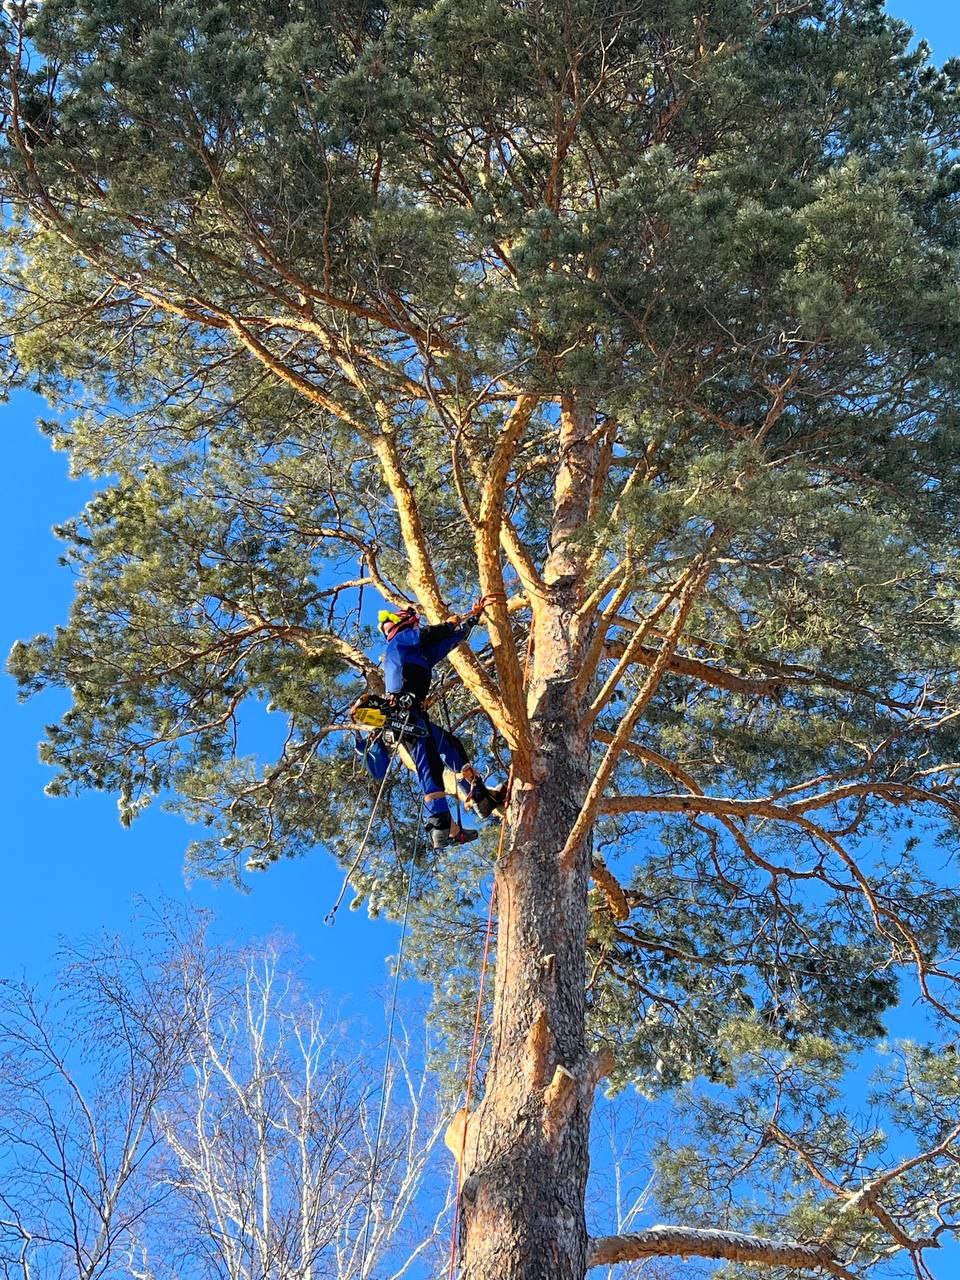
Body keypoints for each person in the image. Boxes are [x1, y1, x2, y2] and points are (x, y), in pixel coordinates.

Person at [352, 600, 506, 849]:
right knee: (429, 761)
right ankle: (439, 821)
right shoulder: (402, 641)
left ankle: (478, 796)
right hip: (403, 713)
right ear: (405, 623)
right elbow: (432, 633)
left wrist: (472, 619)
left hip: (414, 715)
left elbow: (449, 641)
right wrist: (448, 624)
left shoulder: (419, 652)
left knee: (452, 747)